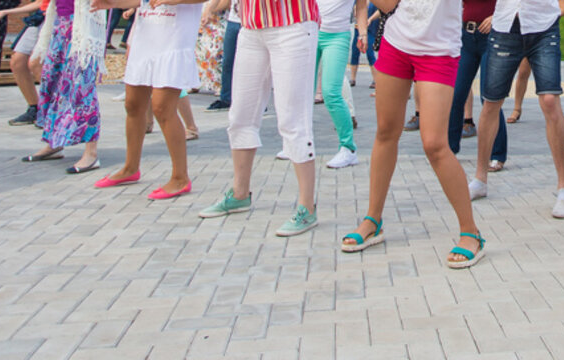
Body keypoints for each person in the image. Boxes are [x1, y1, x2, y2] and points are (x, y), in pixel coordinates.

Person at [342, 0, 492, 270]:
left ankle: (471, 233)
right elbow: (388, 6)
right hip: (397, 43)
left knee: (434, 144)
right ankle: (373, 220)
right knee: (386, 131)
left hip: (438, 51)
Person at [196, 0, 324, 237]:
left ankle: (307, 206)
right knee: (241, 115)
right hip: (252, 25)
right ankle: (239, 193)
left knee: (293, 118)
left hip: (293, 23)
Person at [471, 0, 564, 219]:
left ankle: (563, 187)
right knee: (491, 102)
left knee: (549, 99)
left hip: (544, 26)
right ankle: (480, 179)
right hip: (505, 26)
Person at [91, 0, 204, 200]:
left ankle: (180, 177)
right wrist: (112, 3)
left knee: (162, 108)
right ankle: (130, 168)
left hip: (174, 39)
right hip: (145, 37)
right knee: (133, 105)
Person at [19, 0, 106, 174]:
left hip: (84, 27)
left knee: (83, 89)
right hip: (60, 23)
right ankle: (53, 143)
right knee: (52, 84)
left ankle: (91, 153)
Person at [447, 0, 509, 172]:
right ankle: (449, 151)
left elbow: (515, 4)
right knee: (456, 94)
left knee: (489, 97)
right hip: (466, 37)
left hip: (492, 37)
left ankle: (497, 154)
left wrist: (497, 17)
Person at [314, 0, 364, 169]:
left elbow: (361, 5)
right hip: (307, 33)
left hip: (336, 36)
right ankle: (295, 143)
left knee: (331, 93)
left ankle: (348, 148)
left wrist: (362, 33)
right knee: (301, 92)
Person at [0, 0, 48, 126]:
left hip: (58, 18)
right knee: (18, 62)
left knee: (36, 63)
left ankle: (53, 110)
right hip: (40, 17)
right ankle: (34, 108)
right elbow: (40, 2)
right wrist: (6, 11)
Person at [204, 0, 240, 112]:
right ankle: (226, 98)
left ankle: (255, 103)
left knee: (251, 65)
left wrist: (211, 9)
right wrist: (208, 10)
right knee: (227, 61)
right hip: (233, 19)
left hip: (252, 21)